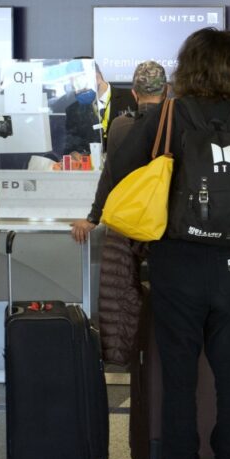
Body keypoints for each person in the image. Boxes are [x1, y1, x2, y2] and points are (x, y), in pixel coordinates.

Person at [108, 29, 230, 459]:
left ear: (187, 66)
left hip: (175, 262)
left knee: (178, 376)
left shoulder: (166, 117)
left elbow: (123, 173)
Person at [70, 61, 167, 368]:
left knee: (119, 296)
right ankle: (161, 351)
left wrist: (93, 218)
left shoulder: (121, 127)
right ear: (166, 92)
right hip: (163, 226)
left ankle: (124, 354)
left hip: (123, 227)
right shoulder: (175, 128)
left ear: (135, 94)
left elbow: (108, 178)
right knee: (164, 293)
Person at [63, 59, 136, 156]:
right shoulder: (73, 110)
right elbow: (70, 146)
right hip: (91, 168)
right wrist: (74, 153)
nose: (76, 90)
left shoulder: (131, 98)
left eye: (79, 83)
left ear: (97, 77)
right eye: (73, 85)